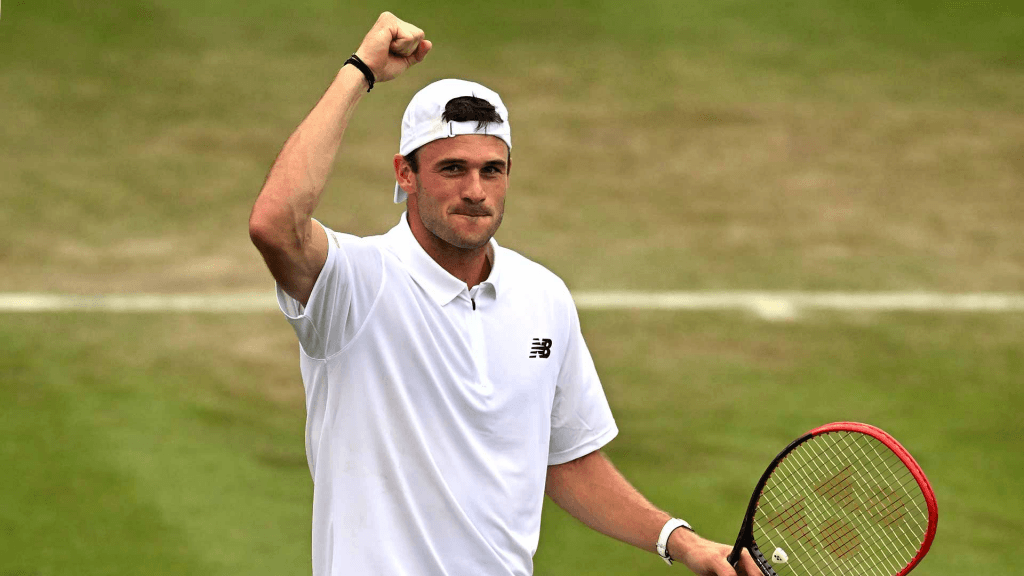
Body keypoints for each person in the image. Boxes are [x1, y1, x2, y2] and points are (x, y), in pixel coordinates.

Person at [248, 11, 758, 576]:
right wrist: (360, 71)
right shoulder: (353, 282)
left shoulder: (543, 296)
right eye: (453, 168)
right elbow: (275, 225)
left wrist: (681, 541)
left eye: (492, 170)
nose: (475, 190)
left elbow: (564, 458)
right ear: (405, 174)